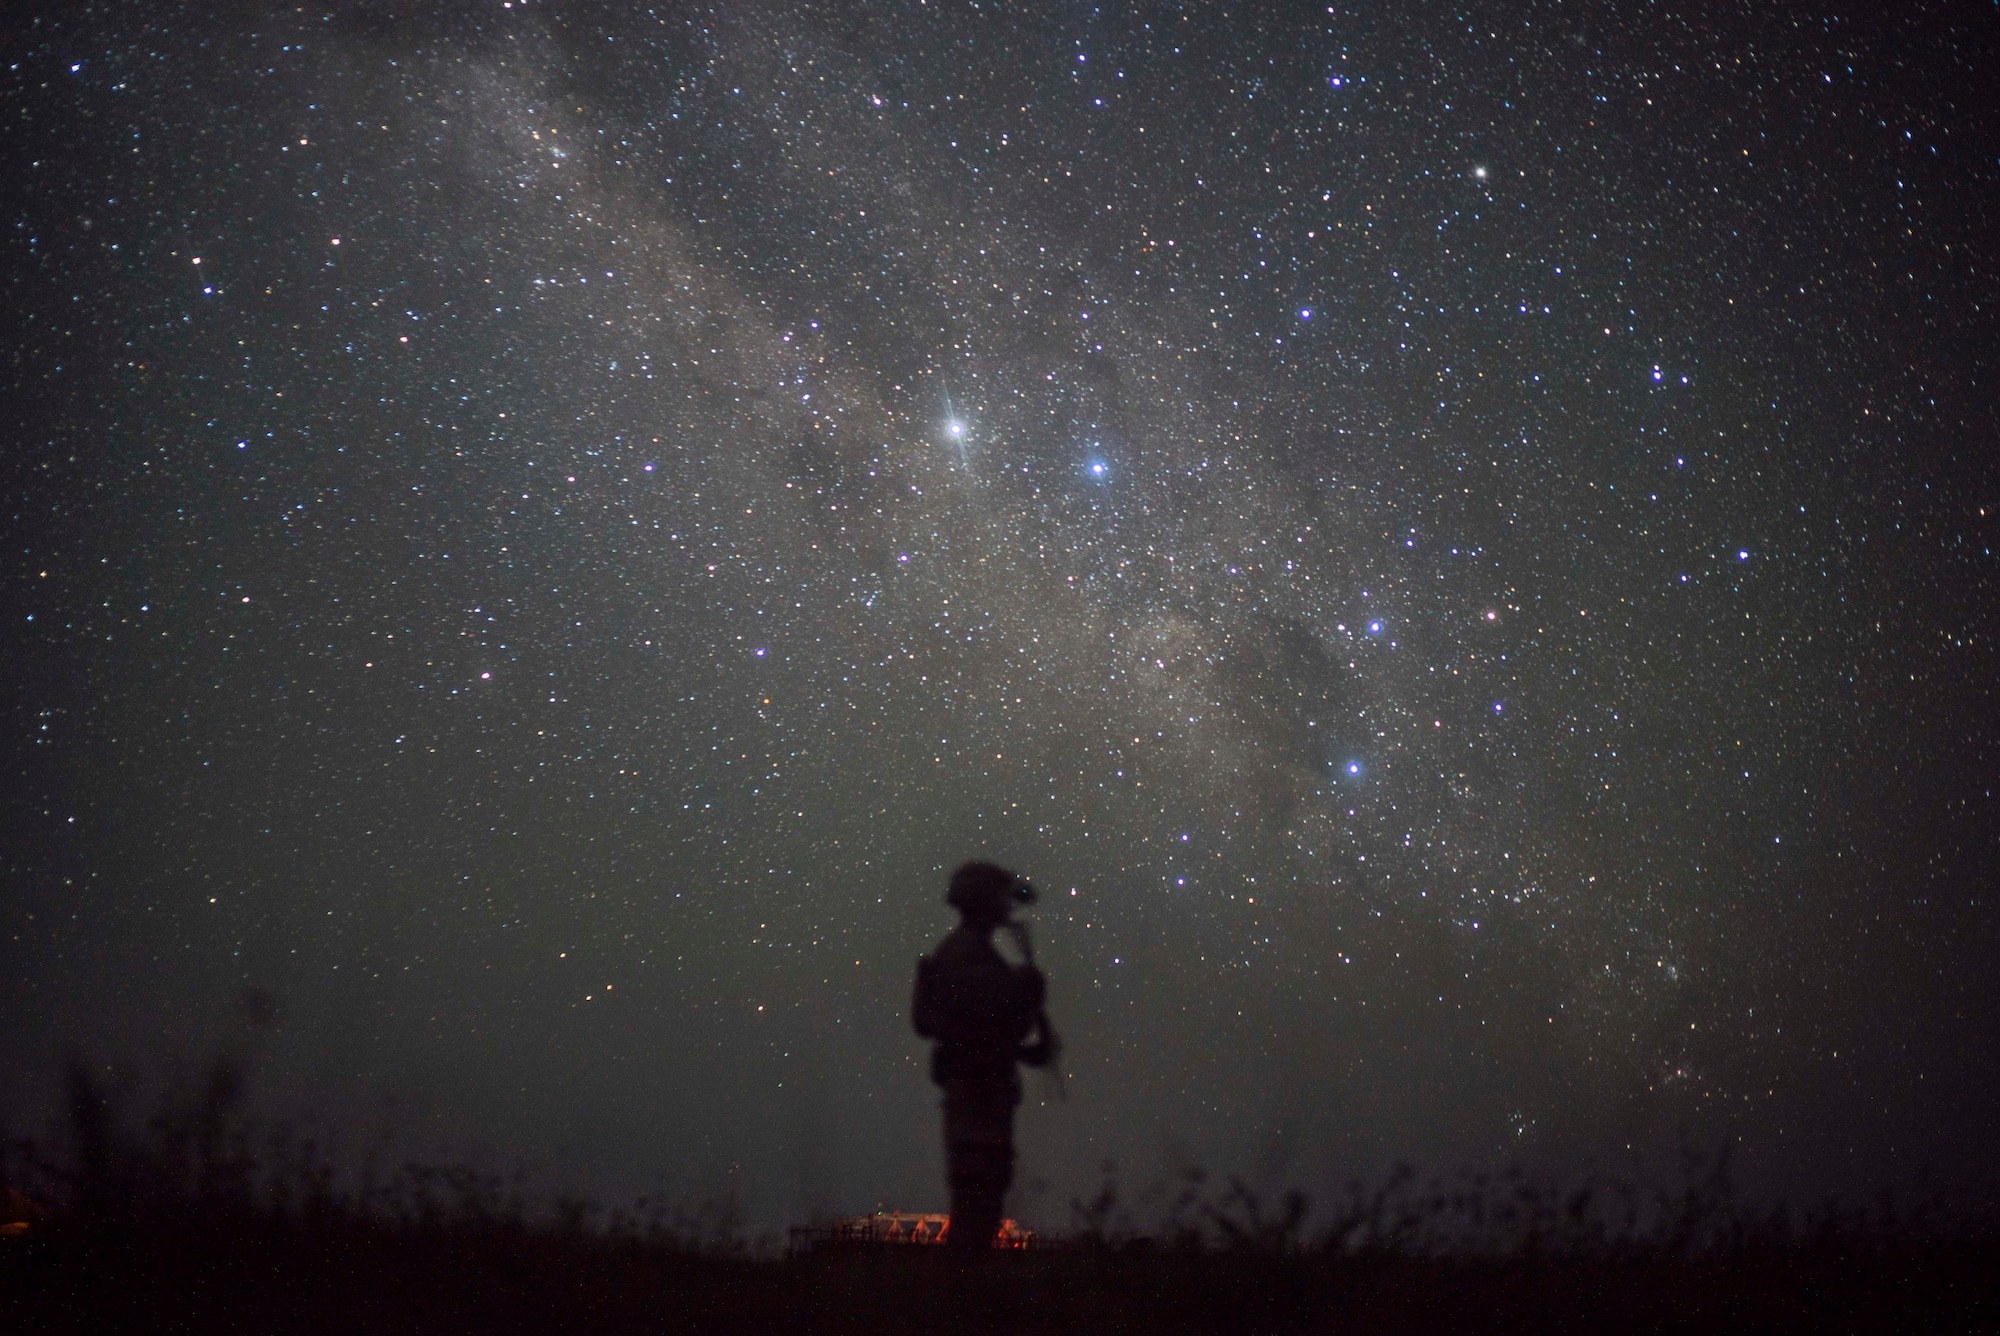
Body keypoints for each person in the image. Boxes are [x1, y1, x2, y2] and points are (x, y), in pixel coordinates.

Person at [912, 861, 1059, 1250]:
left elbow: (1003, 1031)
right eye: (999, 896)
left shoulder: (970, 953)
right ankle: (965, 1300)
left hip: (984, 1093)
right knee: (976, 1205)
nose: (1008, 906)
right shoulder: (964, 955)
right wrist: (1026, 989)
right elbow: (991, 1016)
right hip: (977, 1095)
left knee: (984, 1199)